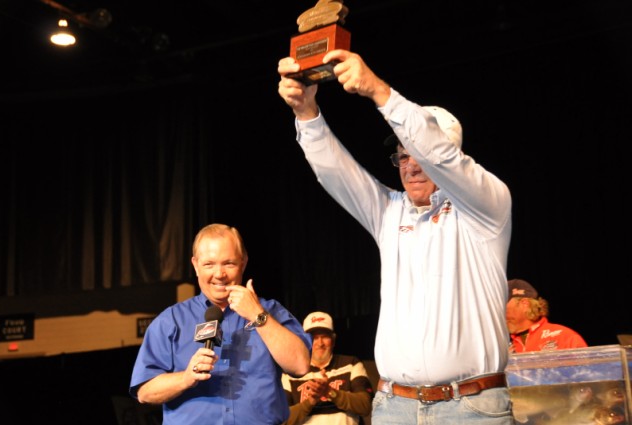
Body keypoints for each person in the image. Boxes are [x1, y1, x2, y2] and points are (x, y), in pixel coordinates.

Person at [277, 50, 514, 425]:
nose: (411, 166)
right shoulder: (391, 212)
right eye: (402, 157)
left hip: (470, 408)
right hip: (395, 407)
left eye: (418, 155)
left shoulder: (486, 207)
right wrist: (307, 113)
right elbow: (337, 173)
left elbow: (438, 153)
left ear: (452, 158)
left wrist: (377, 90)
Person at [129, 223, 312, 425]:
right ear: (195, 265)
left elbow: (300, 365)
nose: (219, 274)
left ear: (243, 263)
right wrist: (186, 378)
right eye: (209, 264)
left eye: (229, 264)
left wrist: (257, 315)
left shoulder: (271, 312)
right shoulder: (170, 321)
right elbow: (145, 392)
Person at [281, 311, 374, 425]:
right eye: (314, 338)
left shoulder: (351, 364)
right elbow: (281, 420)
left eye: (324, 337)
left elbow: (366, 406)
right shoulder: (290, 373)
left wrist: (330, 392)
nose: (320, 343)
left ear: (333, 340)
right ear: (305, 341)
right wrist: (310, 402)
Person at [506, 278, 588, 353]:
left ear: (525, 304)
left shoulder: (564, 337)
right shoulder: (503, 347)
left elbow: (587, 364)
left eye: (502, 305)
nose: (500, 313)